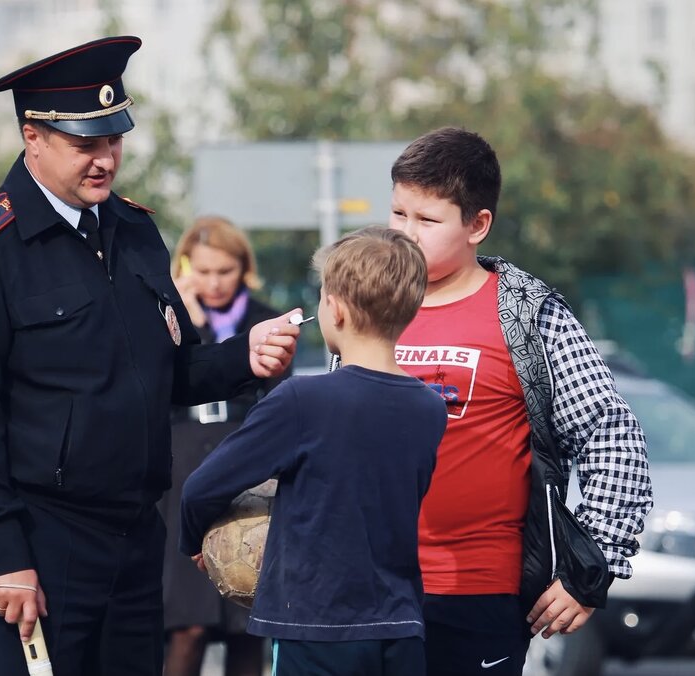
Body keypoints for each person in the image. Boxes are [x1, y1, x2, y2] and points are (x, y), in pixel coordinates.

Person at [0, 36, 301, 676]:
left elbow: (171, 374)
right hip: (41, 546)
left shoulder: (133, 231)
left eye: (113, 139)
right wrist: (3, 553)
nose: (105, 160)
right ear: (33, 135)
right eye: (85, 144)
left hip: (135, 541)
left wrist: (247, 356)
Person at [385, 127, 654, 675]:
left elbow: (612, 437)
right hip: (368, 589)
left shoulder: (529, 314)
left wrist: (591, 567)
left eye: (427, 220)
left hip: (482, 594)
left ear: (477, 225)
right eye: (398, 214)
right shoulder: (369, 299)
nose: (406, 234)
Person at [179, 227, 446, 676]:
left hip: (314, 628)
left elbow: (201, 487)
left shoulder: (301, 401)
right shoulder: (430, 406)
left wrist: (194, 541)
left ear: (335, 308)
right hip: (399, 624)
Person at [161, 216, 286, 676]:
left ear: (243, 270)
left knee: (246, 624)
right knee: (187, 624)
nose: (213, 283)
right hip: (181, 466)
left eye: (224, 272)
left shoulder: (264, 319)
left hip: (242, 460)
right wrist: (184, 326)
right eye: (204, 271)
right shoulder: (168, 316)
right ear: (186, 267)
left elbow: (278, 400)